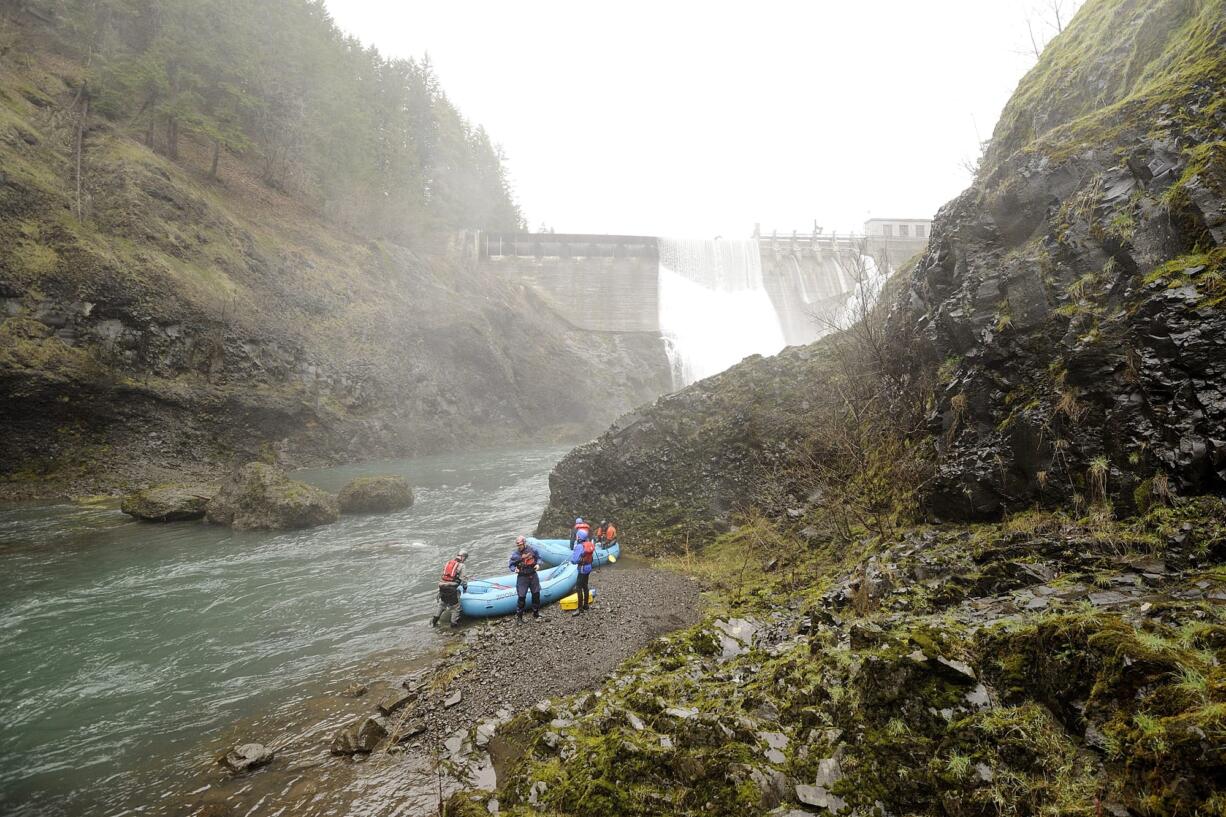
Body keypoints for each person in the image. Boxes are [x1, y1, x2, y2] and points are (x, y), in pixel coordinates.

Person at [432, 549, 469, 629]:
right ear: (463, 557)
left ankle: (433, 623)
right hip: (451, 588)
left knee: (442, 604)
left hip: (442, 587)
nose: (464, 560)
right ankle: (453, 626)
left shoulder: (448, 563)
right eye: (465, 559)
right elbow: (464, 579)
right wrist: (465, 588)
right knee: (456, 608)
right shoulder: (462, 566)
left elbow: (444, 576)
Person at [509, 535, 542, 622]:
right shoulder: (515, 554)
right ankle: (519, 617)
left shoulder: (532, 550)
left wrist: (538, 564)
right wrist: (514, 569)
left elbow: (539, 558)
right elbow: (511, 565)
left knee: (536, 594)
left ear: (524, 543)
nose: (519, 546)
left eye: (520, 545)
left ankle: (536, 613)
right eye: (518, 545)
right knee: (521, 597)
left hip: (533, 574)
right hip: (522, 577)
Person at [570, 528, 595, 614]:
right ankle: (586, 605)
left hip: (582, 569)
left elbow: (574, 560)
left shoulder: (580, 546)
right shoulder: (588, 544)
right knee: (585, 585)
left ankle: (579, 608)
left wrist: (572, 560)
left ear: (579, 537)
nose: (576, 537)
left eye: (577, 536)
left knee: (578, 587)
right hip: (588, 568)